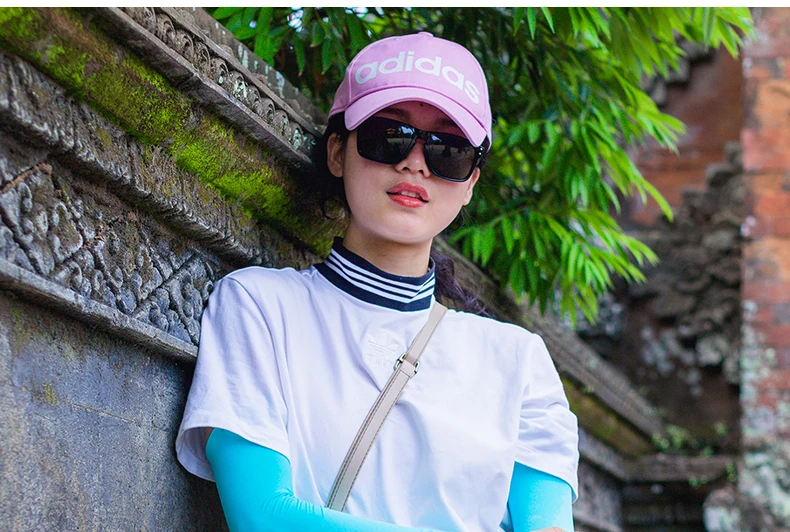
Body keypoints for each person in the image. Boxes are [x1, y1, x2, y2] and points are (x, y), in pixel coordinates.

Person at [175, 32, 579, 532]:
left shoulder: (520, 363)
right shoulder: (259, 306)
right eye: (389, 136)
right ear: (338, 151)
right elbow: (264, 518)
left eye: (448, 151)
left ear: (471, 182)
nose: (414, 163)